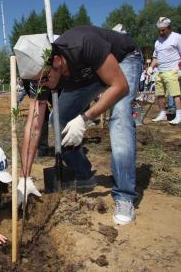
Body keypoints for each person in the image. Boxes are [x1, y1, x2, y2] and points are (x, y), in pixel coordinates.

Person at [14, 26, 142, 226]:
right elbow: (34, 127)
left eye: (45, 79)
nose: (44, 86)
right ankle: (83, 174)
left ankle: (124, 196)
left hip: (122, 60)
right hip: (84, 76)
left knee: (120, 118)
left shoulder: (83, 43)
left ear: (56, 61)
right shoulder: (37, 77)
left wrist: (85, 118)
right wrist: (24, 177)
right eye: (38, 82)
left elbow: (120, 86)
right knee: (58, 119)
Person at [149, 17, 181, 125]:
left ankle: (179, 115)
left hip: (173, 70)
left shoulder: (177, 37)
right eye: (159, 30)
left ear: (169, 28)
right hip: (160, 71)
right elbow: (155, 57)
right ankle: (163, 114)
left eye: (163, 30)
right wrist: (151, 67)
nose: (161, 32)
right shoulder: (158, 41)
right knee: (160, 94)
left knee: (175, 94)